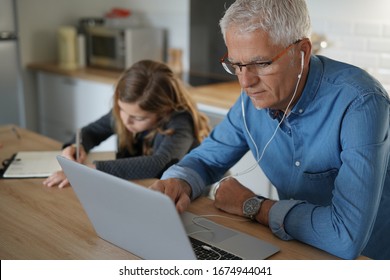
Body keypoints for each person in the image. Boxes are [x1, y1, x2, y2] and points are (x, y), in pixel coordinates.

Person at [150, 0, 390, 260]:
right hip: (295, 249)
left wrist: (251, 206)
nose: (245, 82)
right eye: (236, 65)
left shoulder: (361, 103)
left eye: (261, 63)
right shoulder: (252, 100)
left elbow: (345, 237)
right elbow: (205, 160)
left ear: (302, 52)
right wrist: (179, 182)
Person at [43, 60, 210, 188]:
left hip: (192, 198)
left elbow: (159, 163)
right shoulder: (126, 112)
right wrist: (76, 146)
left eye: (138, 118)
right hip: (141, 189)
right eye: (122, 110)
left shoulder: (181, 121)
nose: (126, 120)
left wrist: (90, 170)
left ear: (164, 111)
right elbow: (91, 131)